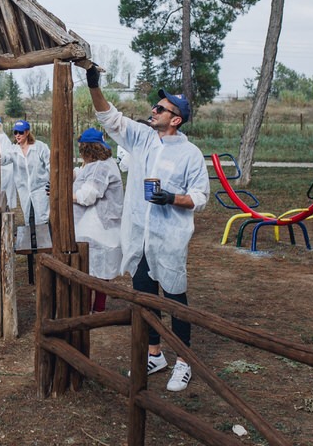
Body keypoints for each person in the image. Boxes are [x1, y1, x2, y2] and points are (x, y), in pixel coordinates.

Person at [86, 64, 209, 393]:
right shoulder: (141, 139)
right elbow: (110, 118)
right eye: (155, 106)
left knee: (175, 300)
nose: (152, 111)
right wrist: (93, 85)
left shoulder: (190, 155)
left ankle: (184, 360)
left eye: (161, 108)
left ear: (176, 119)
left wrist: (171, 197)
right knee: (144, 296)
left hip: (168, 240)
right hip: (138, 238)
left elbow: (201, 196)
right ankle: (154, 354)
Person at [72, 128, 124, 313]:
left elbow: (89, 195)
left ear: (87, 149)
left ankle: (91, 310)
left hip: (98, 228)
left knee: (92, 272)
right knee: (98, 272)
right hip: (100, 226)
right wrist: (74, 174)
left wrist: (64, 195)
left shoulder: (101, 167)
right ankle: (96, 307)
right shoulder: (102, 163)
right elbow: (85, 172)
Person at [7, 120, 50, 247]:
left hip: (41, 187)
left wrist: (52, 181)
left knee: (42, 217)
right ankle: (31, 246)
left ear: (27, 132)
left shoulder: (39, 147)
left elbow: (50, 164)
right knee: (27, 217)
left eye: (20, 132)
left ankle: (44, 247)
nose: (17, 135)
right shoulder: (13, 150)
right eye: (15, 132)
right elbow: (2, 159)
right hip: (24, 190)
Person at [0, 116, 18, 209]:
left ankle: (5, 214)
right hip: (0, 170)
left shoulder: (2, 138)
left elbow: (3, 156)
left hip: (4, 170)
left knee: (4, 195)